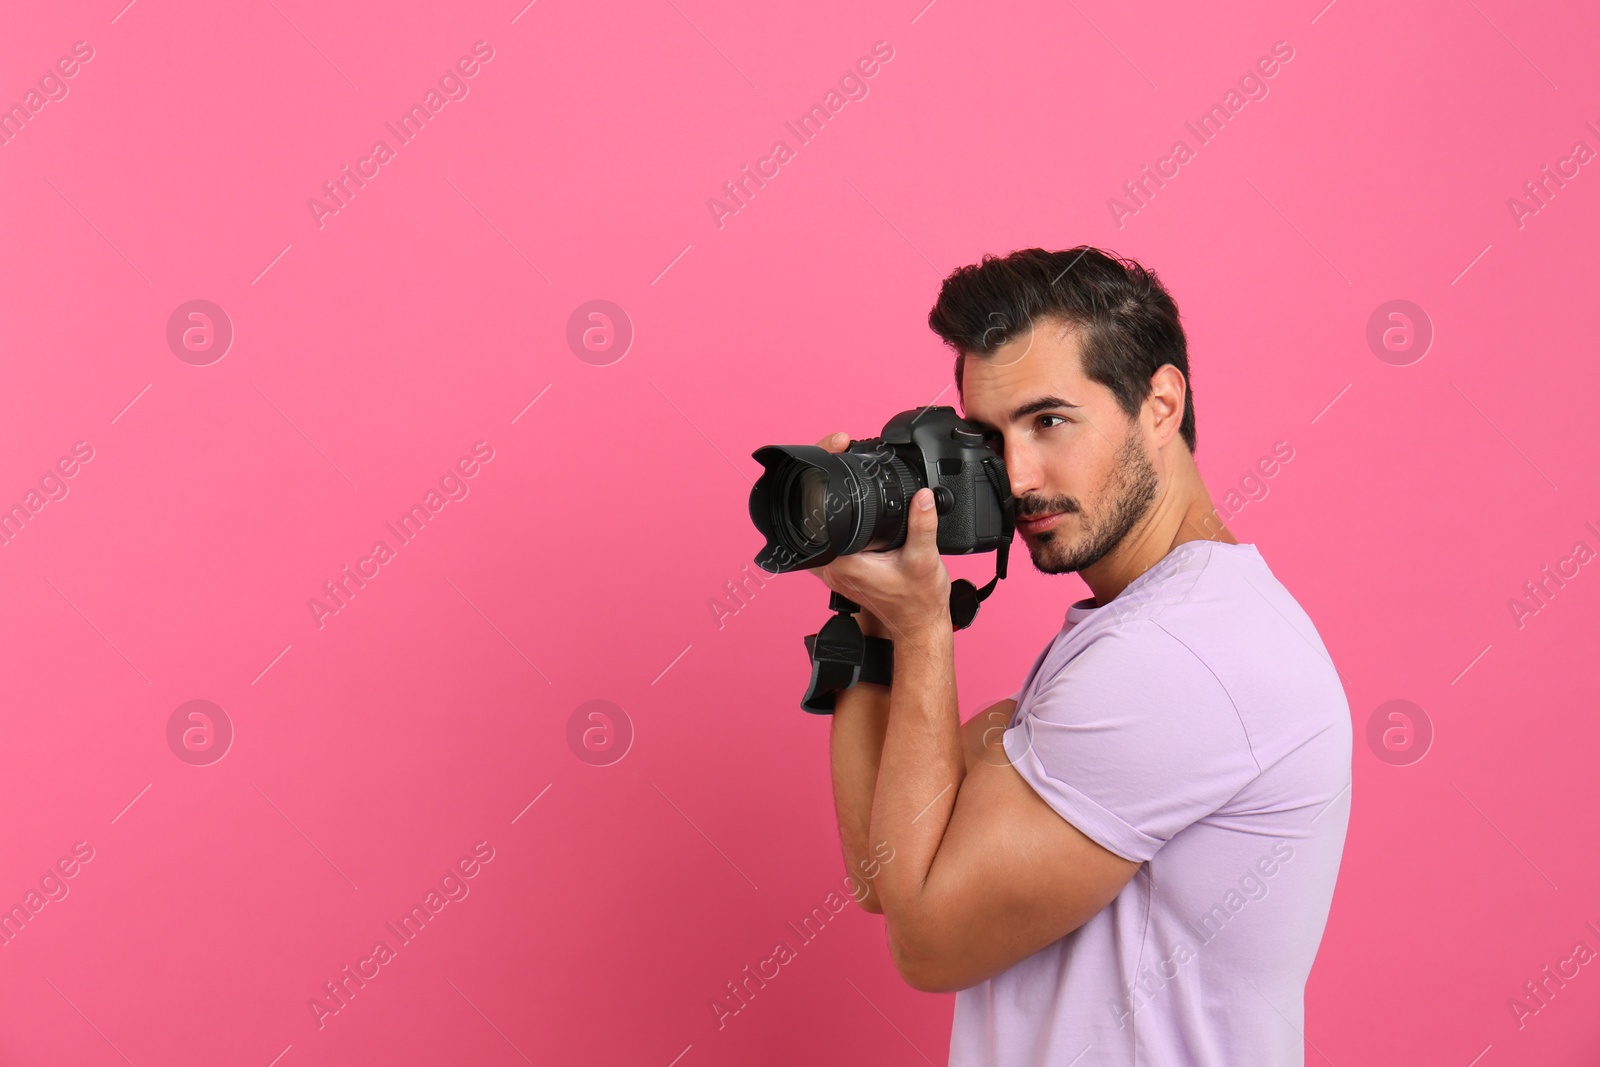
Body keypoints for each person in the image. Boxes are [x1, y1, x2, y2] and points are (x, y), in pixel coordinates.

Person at [812, 246, 1351, 1066]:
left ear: (1160, 404)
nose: (1019, 477)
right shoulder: (1146, 625)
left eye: (1049, 420)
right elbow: (881, 871)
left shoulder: (1181, 654)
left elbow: (925, 941)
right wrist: (872, 617)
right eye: (991, 437)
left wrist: (925, 632)